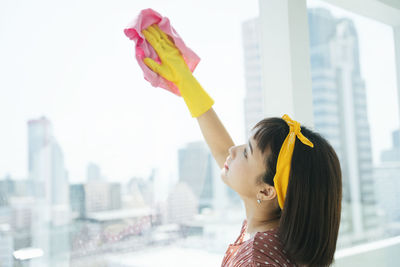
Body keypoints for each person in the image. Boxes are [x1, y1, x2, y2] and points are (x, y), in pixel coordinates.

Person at [140, 24, 342, 267]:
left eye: (246, 152)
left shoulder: (255, 259)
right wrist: (186, 82)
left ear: (267, 191)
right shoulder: (278, 233)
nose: (232, 150)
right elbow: (223, 152)